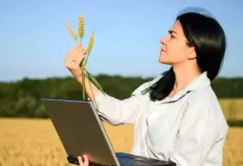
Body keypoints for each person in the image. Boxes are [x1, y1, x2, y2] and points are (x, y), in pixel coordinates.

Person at [64, 7, 229, 166]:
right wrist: (80, 75)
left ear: (193, 51)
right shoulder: (159, 85)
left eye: (172, 35)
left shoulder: (201, 104)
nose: (163, 39)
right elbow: (118, 113)